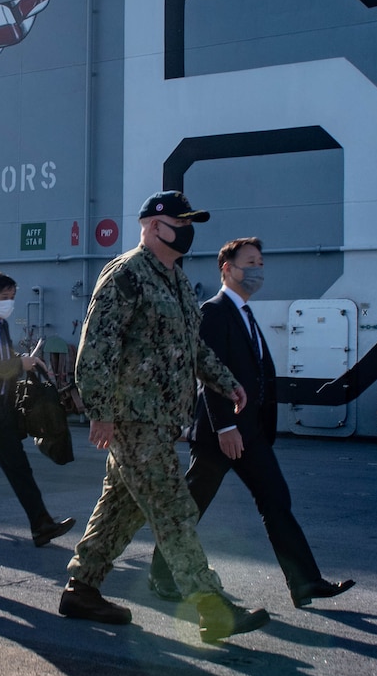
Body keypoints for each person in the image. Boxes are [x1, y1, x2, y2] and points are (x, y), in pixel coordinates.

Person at [60, 190, 269, 644]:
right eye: (181, 221)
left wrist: (225, 380)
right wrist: (99, 412)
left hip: (161, 419)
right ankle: (212, 608)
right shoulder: (126, 275)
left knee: (123, 505)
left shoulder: (175, 279)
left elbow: (191, 347)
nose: (188, 230)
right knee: (174, 507)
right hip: (132, 418)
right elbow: (95, 349)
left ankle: (81, 588)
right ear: (155, 226)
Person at [148, 238, 355, 608]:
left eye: (260, 262)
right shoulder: (213, 312)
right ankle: (161, 575)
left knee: (277, 500)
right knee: (190, 507)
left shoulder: (245, 313)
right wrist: (225, 427)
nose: (258, 269)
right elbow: (211, 373)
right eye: (250, 262)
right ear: (227, 269)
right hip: (220, 433)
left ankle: (305, 582)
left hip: (252, 433)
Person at [0, 272, 76, 547]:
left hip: (0, 415)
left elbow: (3, 358)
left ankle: (41, 525)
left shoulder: (0, 325)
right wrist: (19, 364)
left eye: (12, 298)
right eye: (4, 298)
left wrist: (27, 361)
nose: (9, 303)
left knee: (20, 470)